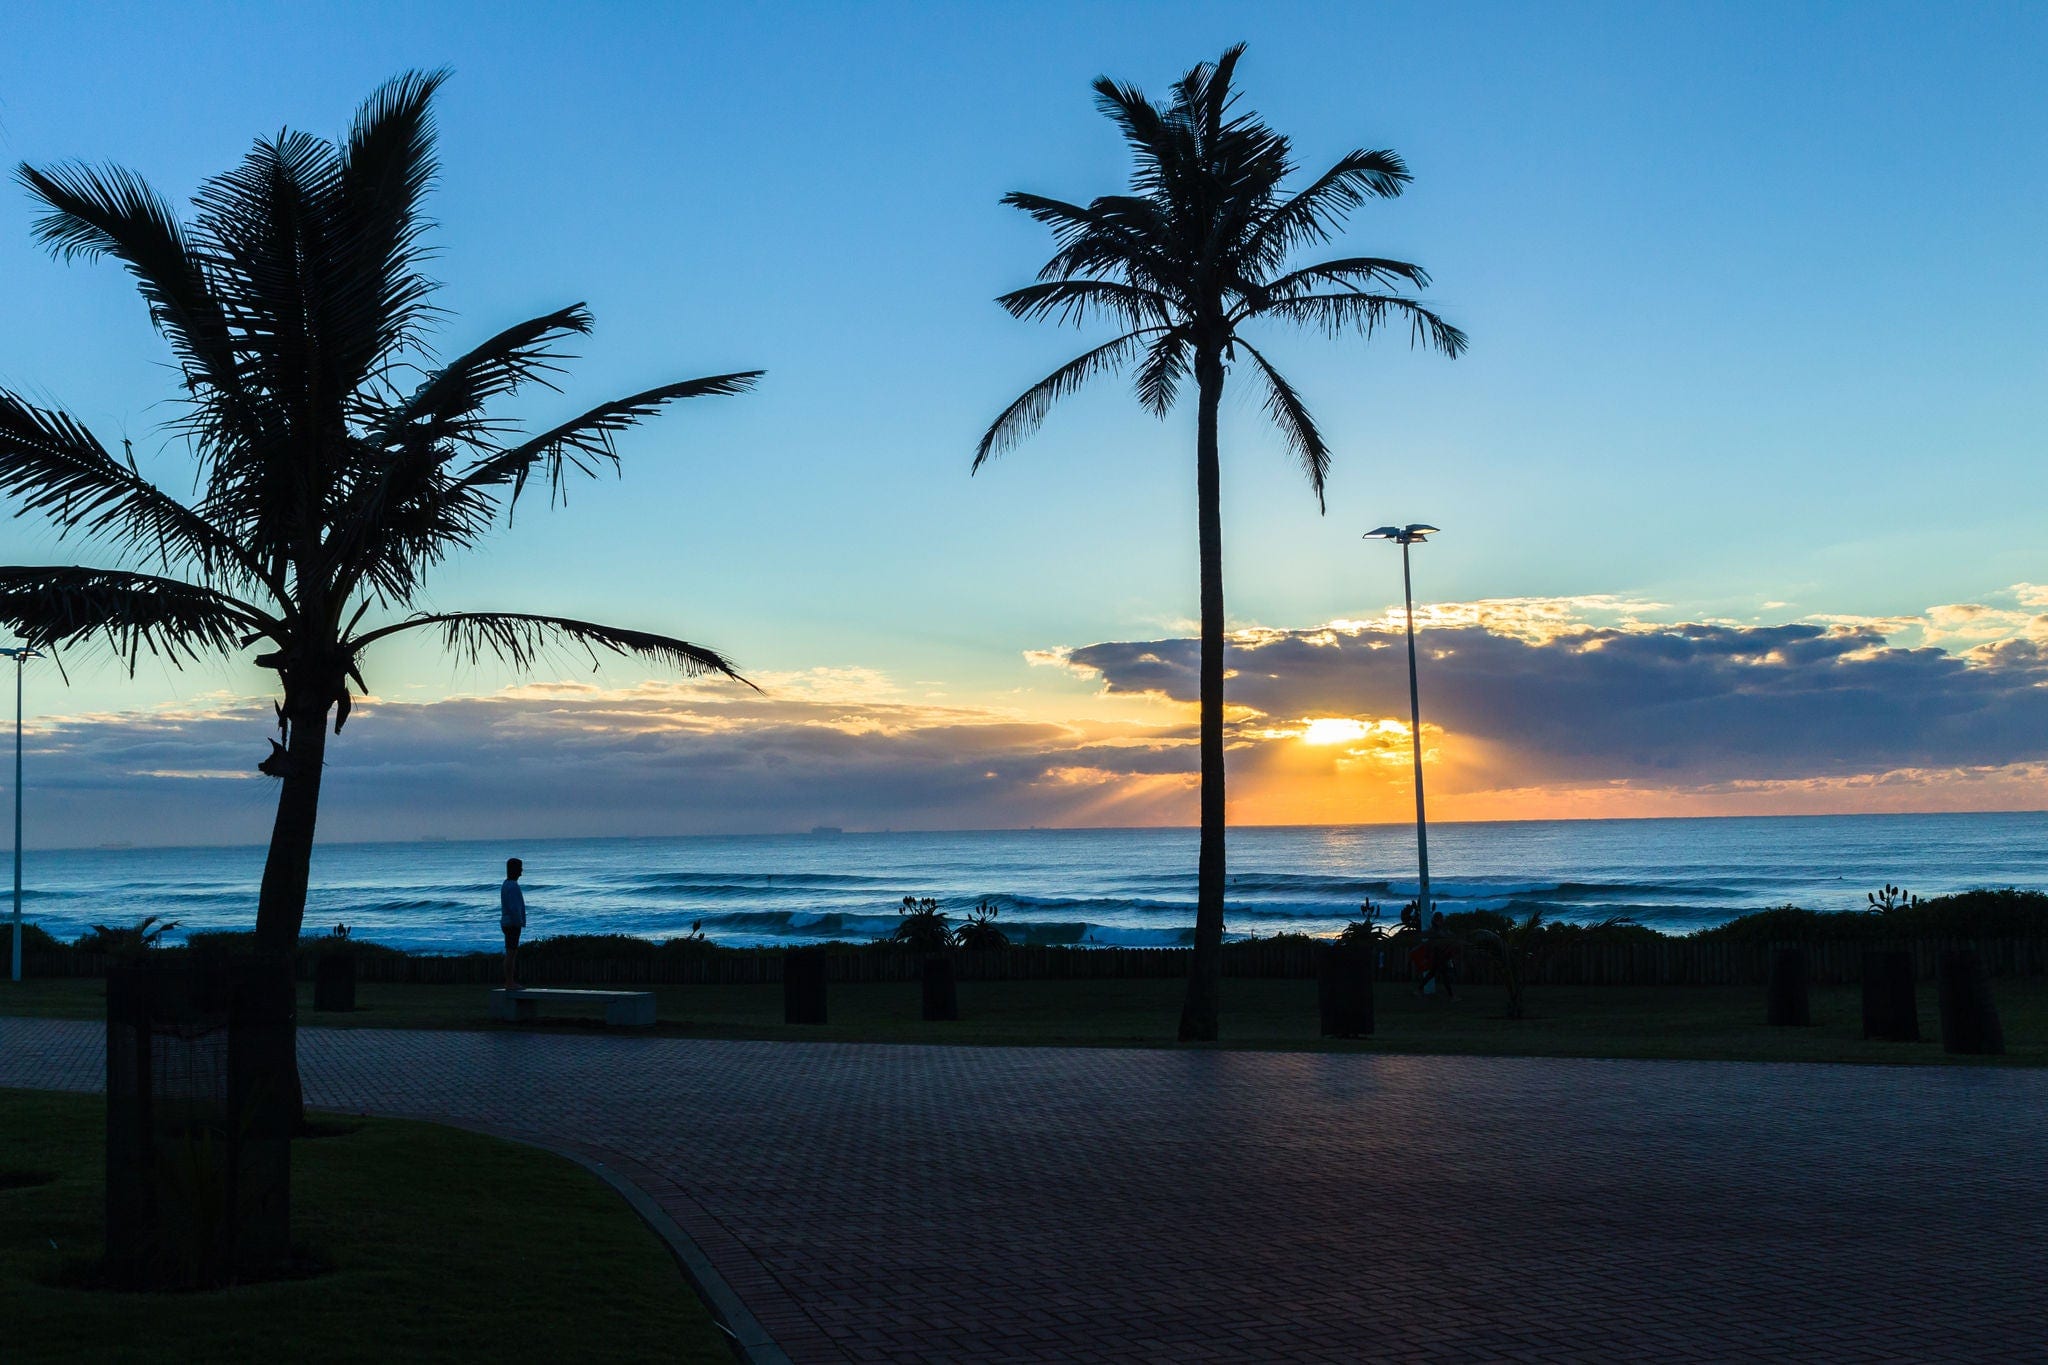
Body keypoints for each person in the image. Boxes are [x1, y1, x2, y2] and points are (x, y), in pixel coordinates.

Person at [500, 858, 527, 989]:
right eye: (520, 868)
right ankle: (510, 982)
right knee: (511, 953)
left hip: (508, 923)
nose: (522, 871)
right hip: (512, 924)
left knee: (511, 952)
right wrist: (519, 922)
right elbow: (514, 908)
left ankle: (509, 981)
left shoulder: (507, 884)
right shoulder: (512, 886)